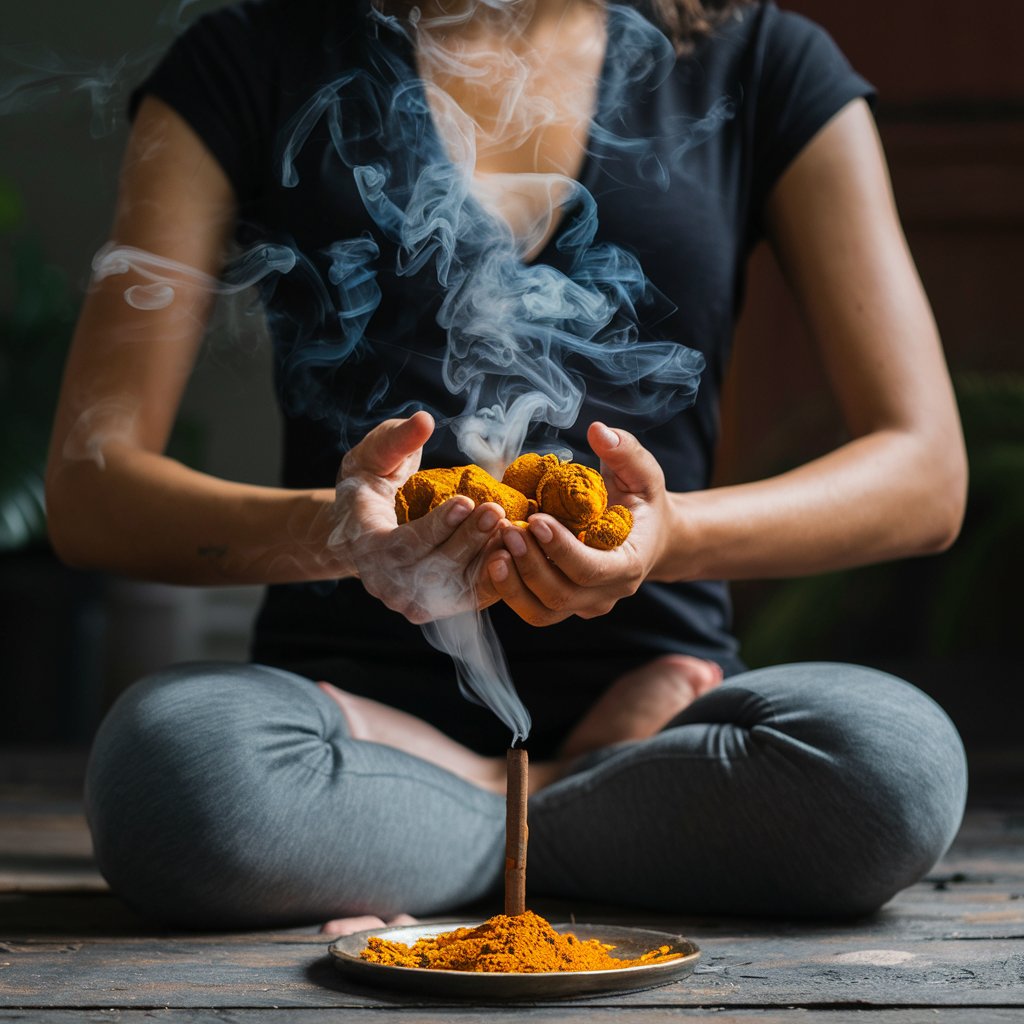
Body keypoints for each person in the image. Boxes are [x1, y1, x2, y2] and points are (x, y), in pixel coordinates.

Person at [45, 0, 969, 931]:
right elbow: (92, 489)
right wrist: (343, 535)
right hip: (340, 727)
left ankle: (439, 836)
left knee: (895, 767)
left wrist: (668, 536)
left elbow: (924, 474)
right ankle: (553, 809)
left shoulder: (766, 59)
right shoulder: (246, 57)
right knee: (171, 772)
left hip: (666, 721)